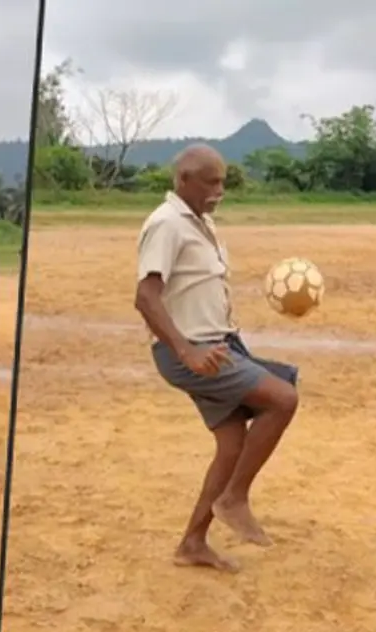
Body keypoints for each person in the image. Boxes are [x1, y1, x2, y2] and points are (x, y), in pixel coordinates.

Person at [134, 144, 300, 573]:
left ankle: (192, 542)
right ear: (183, 179)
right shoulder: (167, 224)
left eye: (223, 181)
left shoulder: (201, 223)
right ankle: (234, 498)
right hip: (194, 350)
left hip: (219, 345)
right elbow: (146, 297)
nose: (219, 190)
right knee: (282, 399)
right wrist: (187, 352)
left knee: (232, 445)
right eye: (210, 181)